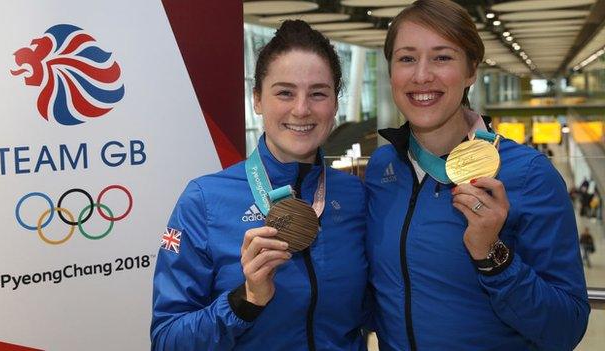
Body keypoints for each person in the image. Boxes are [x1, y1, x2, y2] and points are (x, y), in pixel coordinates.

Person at [365, 1, 590, 350]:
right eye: (407, 58)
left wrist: (493, 255)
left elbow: (566, 328)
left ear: (471, 70)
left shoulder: (528, 175)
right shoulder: (383, 169)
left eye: (442, 57)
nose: (422, 75)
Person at [151, 20, 368, 350]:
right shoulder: (205, 201)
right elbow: (167, 340)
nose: (301, 109)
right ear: (256, 100)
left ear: (335, 104)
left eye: (318, 94)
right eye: (284, 92)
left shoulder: (354, 195)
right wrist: (245, 300)